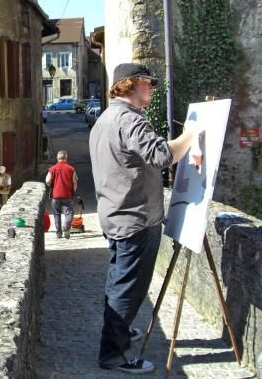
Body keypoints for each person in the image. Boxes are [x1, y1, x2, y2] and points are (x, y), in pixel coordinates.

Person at [90, 63, 202, 374]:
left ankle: (119, 334)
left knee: (118, 283)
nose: (152, 87)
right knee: (129, 289)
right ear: (129, 85)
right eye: (148, 82)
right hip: (135, 219)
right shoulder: (130, 120)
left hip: (115, 216)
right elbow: (164, 156)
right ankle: (113, 355)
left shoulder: (105, 118)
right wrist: (190, 134)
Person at [45, 150, 78, 239]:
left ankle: (58, 233)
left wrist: (52, 185)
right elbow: (74, 182)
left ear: (57, 158)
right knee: (69, 213)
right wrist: (73, 191)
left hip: (55, 195)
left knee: (57, 214)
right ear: (66, 158)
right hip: (67, 195)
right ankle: (66, 227)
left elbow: (47, 181)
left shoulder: (52, 169)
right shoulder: (71, 169)